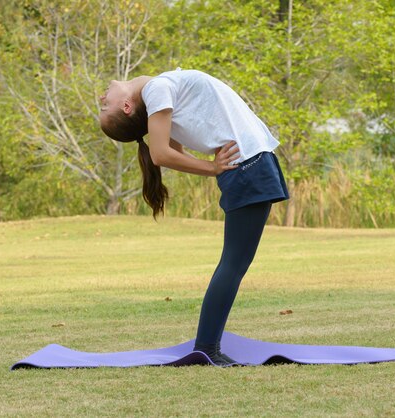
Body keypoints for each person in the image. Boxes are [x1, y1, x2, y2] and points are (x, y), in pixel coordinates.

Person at [99, 68, 289, 366]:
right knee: (234, 263)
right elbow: (161, 154)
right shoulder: (157, 89)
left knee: (234, 263)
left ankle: (207, 345)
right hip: (248, 164)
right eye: (104, 105)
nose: (102, 96)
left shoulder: (161, 94)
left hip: (249, 164)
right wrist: (212, 168)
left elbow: (174, 147)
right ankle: (207, 348)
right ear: (126, 106)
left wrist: (209, 165)